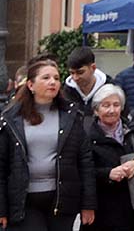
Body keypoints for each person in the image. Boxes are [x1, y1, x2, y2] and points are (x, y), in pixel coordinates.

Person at [0, 57, 96, 230]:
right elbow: (2, 165)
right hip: (24, 200)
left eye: (57, 78)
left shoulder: (71, 116)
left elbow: (85, 161)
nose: (52, 82)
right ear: (30, 85)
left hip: (62, 199)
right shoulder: (11, 118)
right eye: (46, 78)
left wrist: (88, 204)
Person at [87, 84, 134, 231]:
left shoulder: (133, 130)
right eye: (106, 105)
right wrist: (108, 174)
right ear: (96, 110)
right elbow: (83, 170)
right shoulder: (87, 136)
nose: (112, 110)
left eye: (116, 105)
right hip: (103, 208)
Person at [62, 47, 110, 113]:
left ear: (93, 68)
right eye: (72, 73)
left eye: (80, 72)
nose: (75, 78)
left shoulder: (110, 89)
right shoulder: (67, 92)